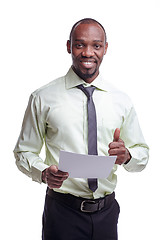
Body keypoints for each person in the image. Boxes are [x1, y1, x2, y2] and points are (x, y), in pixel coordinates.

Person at [14, 18, 149, 240]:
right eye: (80, 45)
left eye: (96, 45)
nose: (88, 53)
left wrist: (127, 156)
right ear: (69, 46)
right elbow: (23, 152)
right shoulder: (43, 97)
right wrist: (43, 173)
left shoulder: (121, 100)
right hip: (62, 212)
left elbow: (142, 154)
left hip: (107, 213)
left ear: (105, 48)